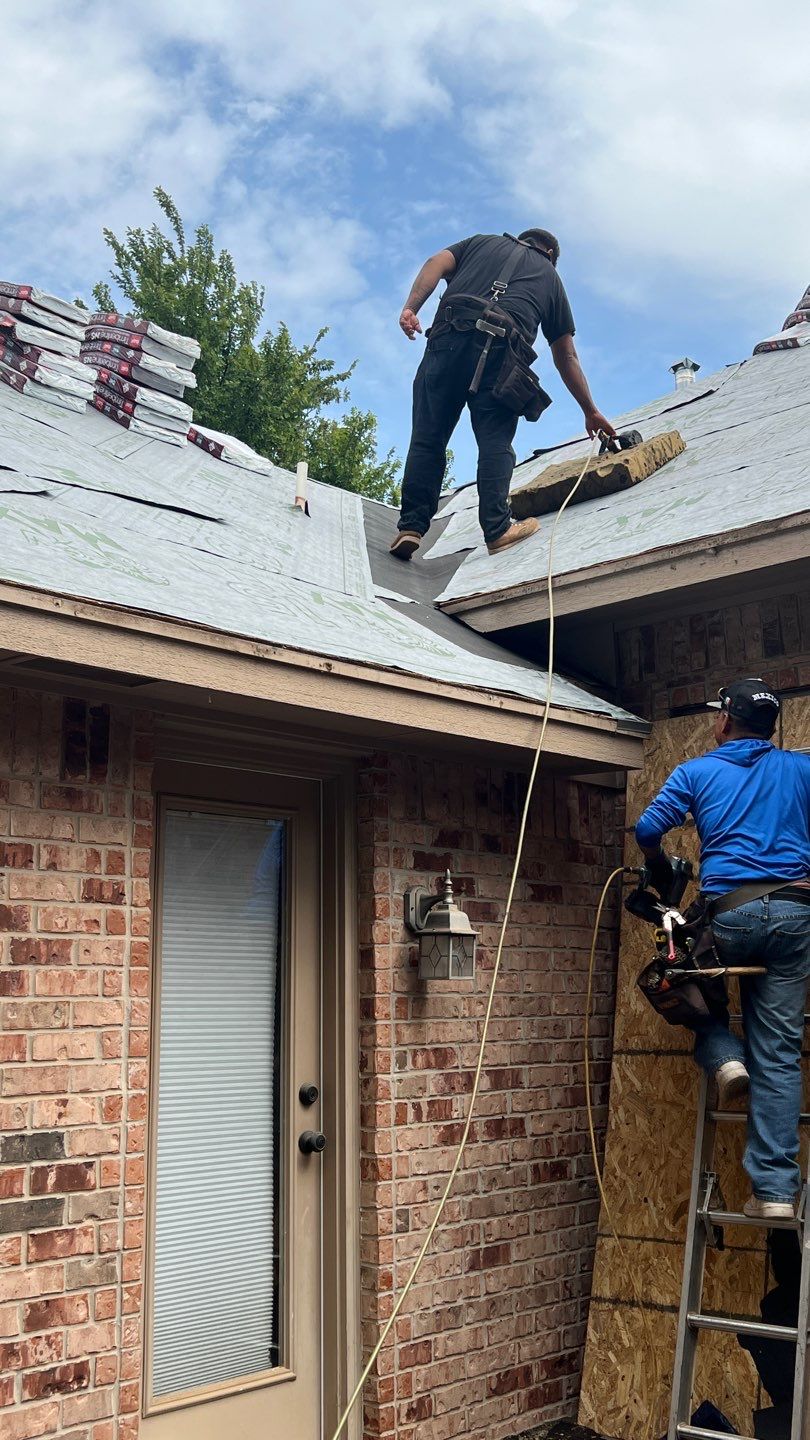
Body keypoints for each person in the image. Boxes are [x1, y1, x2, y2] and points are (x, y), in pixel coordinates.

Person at [635, 678, 810, 1220]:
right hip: (795, 917)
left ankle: (723, 1054)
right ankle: (775, 1193)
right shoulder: (802, 768)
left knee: (679, 989)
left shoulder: (696, 771)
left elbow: (648, 829)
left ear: (726, 721)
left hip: (729, 917)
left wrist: (659, 866)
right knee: (779, 1052)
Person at [390, 228, 615, 561]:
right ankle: (497, 530)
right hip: (501, 355)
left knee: (428, 438)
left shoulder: (481, 242)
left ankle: (410, 527)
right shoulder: (551, 278)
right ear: (551, 255)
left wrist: (411, 307)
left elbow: (435, 262)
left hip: (448, 338)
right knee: (495, 442)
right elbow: (566, 354)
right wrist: (590, 410)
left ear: (521, 239)